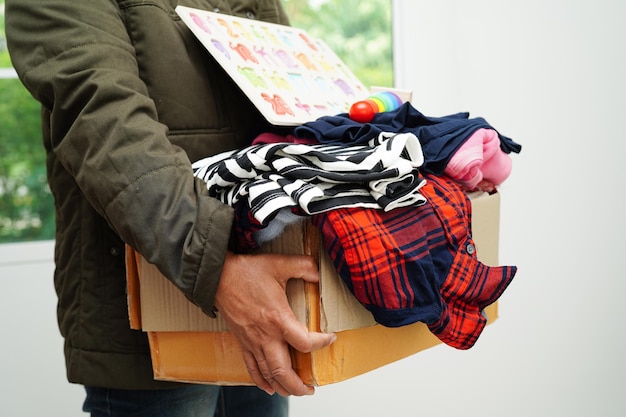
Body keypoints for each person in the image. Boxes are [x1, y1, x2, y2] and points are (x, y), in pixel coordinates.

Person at [5, 0, 336, 415]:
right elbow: (105, 120)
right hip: (153, 318)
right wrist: (218, 268)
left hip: (263, 296)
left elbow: (294, 98)